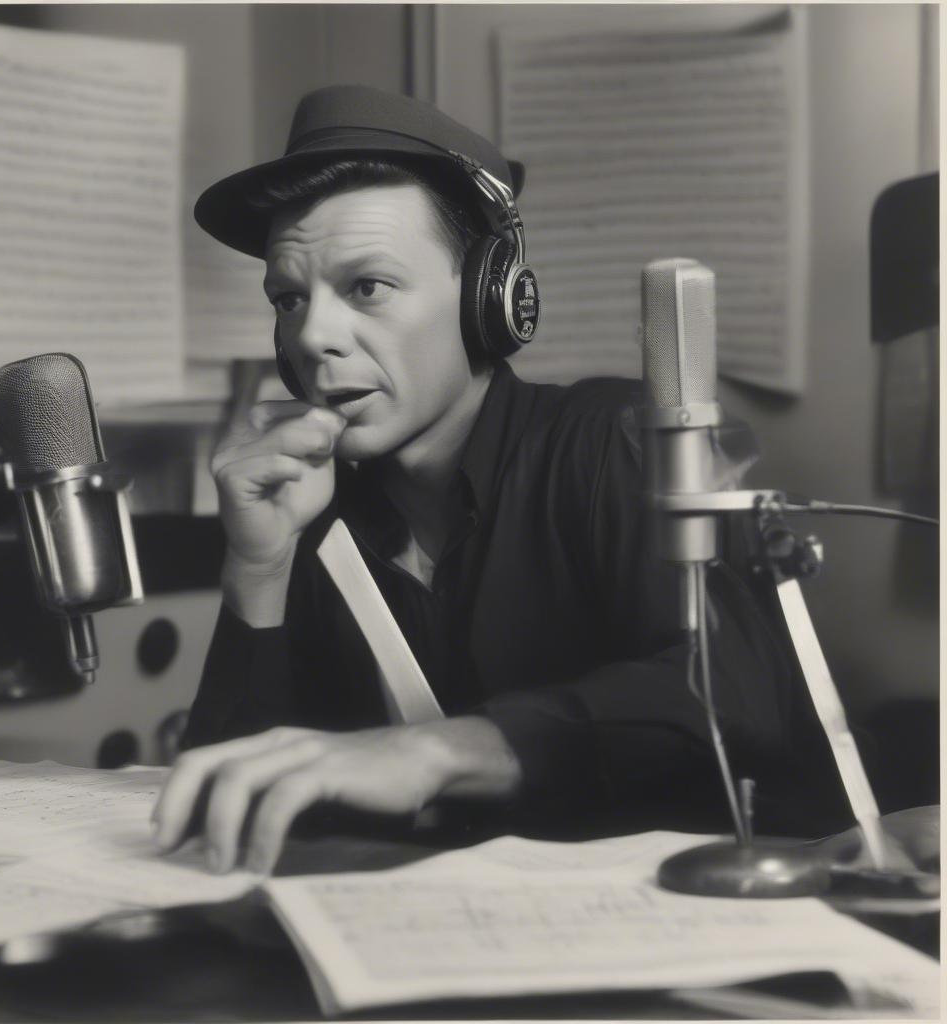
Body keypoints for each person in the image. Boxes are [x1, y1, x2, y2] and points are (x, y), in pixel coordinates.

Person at [152, 85, 834, 876]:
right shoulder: (311, 509)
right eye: (290, 297)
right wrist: (258, 569)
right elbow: (226, 812)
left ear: (491, 300)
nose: (312, 335)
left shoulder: (612, 441)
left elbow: (732, 693)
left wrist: (441, 750)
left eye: (367, 286)